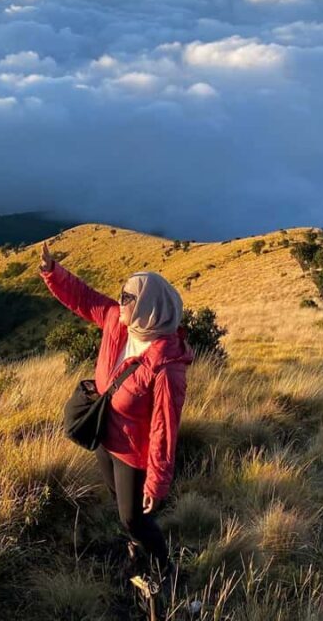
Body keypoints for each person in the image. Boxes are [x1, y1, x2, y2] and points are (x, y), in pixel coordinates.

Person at [38, 239, 194, 583]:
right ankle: (138, 554)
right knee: (121, 507)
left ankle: (164, 570)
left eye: (127, 297)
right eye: (122, 295)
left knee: (133, 518)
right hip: (104, 438)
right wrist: (52, 272)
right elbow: (84, 298)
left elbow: (164, 427)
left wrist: (157, 480)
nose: (120, 301)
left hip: (134, 453)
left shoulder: (166, 365)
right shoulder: (118, 322)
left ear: (148, 306)